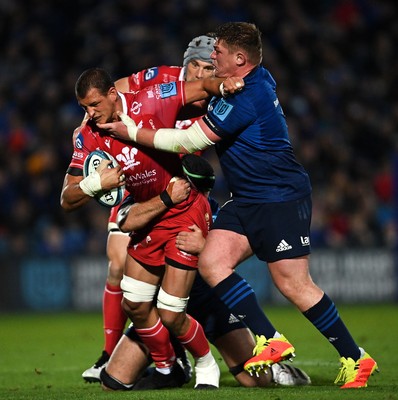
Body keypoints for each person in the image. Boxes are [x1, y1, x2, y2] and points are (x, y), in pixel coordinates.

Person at [98, 22, 378, 389]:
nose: (213, 59)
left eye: (219, 54)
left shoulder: (245, 97)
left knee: (293, 283)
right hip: (247, 199)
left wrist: (130, 132)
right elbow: (129, 87)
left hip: (279, 197)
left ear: (240, 59)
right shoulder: (246, 79)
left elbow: (188, 140)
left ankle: (356, 358)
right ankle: (271, 340)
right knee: (212, 261)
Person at [60, 67, 243, 390]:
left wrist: (224, 85)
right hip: (149, 214)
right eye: (84, 108)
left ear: (113, 95)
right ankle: (168, 366)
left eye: (94, 104)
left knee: (171, 312)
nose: (89, 114)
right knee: (135, 304)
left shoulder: (152, 100)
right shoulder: (86, 135)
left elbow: (200, 87)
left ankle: (205, 364)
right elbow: (67, 198)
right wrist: (94, 183)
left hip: (184, 210)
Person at [100, 153, 311, 390]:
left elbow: (240, 248)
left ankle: (276, 370)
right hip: (161, 309)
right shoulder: (146, 198)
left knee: (254, 379)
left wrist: (205, 247)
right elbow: (125, 221)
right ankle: (175, 362)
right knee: (113, 382)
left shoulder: (211, 210)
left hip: (206, 301)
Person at [81, 34, 218, 383]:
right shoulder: (163, 82)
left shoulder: (219, 103)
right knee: (117, 266)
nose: (199, 74)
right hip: (137, 193)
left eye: (208, 69)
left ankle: (247, 344)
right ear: (185, 64)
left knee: (182, 293)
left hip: (181, 196)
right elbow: (118, 87)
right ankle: (112, 353)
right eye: (195, 66)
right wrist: (92, 115)